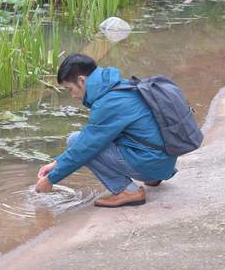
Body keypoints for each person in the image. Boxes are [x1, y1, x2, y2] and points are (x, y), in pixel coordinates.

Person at [35, 53, 177, 208]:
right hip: (163, 161)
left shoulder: (108, 103)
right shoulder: (118, 86)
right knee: (91, 140)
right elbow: (97, 138)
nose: (73, 95)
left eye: (70, 89)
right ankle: (152, 177)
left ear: (82, 81)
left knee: (75, 140)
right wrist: (56, 163)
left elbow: (84, 148)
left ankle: (129, 191)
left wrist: (51, 179)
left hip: (152, 163)